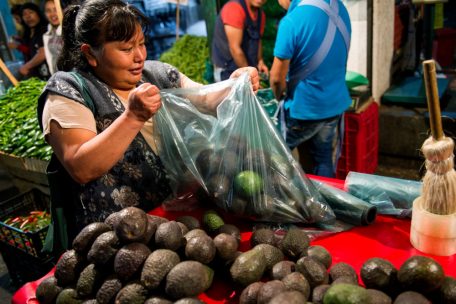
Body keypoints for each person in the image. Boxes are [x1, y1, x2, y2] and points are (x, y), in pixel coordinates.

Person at [37, 0, 259, 251]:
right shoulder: (68, 91)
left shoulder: (157, 75)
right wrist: (132, 117)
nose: (139, 56)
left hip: (173, 226)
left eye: (141, 44)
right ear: (90, 53)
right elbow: (81, 165)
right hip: (117, 242)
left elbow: (206, 99)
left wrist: (234, 85)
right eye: (126, 48)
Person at [269, 0, 351, 178]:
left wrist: (278, 97)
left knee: (271, 159)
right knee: (322, 160)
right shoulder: (339, 8)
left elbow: (276, 79)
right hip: (334, 105)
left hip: (304, 110)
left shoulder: (291, 21)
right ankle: (325, 203)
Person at [211, 0, 269, 82]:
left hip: (246, 69)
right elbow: (235, 49)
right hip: (228, 71)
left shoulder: (261, 15)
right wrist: (249, 77)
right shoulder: (234, 9)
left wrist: (260, 61)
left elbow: (258, 39)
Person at [18, 2, 50, 79]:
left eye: (31, 12)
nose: (28, 16)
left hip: (49, 75)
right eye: (24, 14)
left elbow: (43, 52)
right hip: (38, 76)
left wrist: (26, 66)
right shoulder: (29, 34)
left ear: (38, 13)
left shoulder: (45, 30)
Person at [43, 0, 63, 75]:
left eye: (55, 9)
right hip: (59, 79)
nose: (52, 14)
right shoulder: (47, 35)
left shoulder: (71, 30)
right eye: (48, 11)